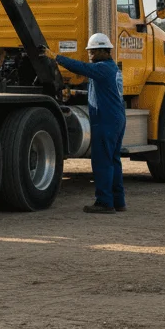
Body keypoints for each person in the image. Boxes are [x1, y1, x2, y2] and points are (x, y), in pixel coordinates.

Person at [55, 33, 127, 214]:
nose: (90, 55)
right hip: (116, 119)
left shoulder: (102, 68)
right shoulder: (112, 69)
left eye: (93, 52)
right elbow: (99, 91)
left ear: (104, 51)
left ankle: (104, 202)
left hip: (105, 121)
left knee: (102, 162)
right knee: (113, 161)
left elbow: (80, 68)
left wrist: (55, 57)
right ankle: (118, 201)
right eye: (90, 51)